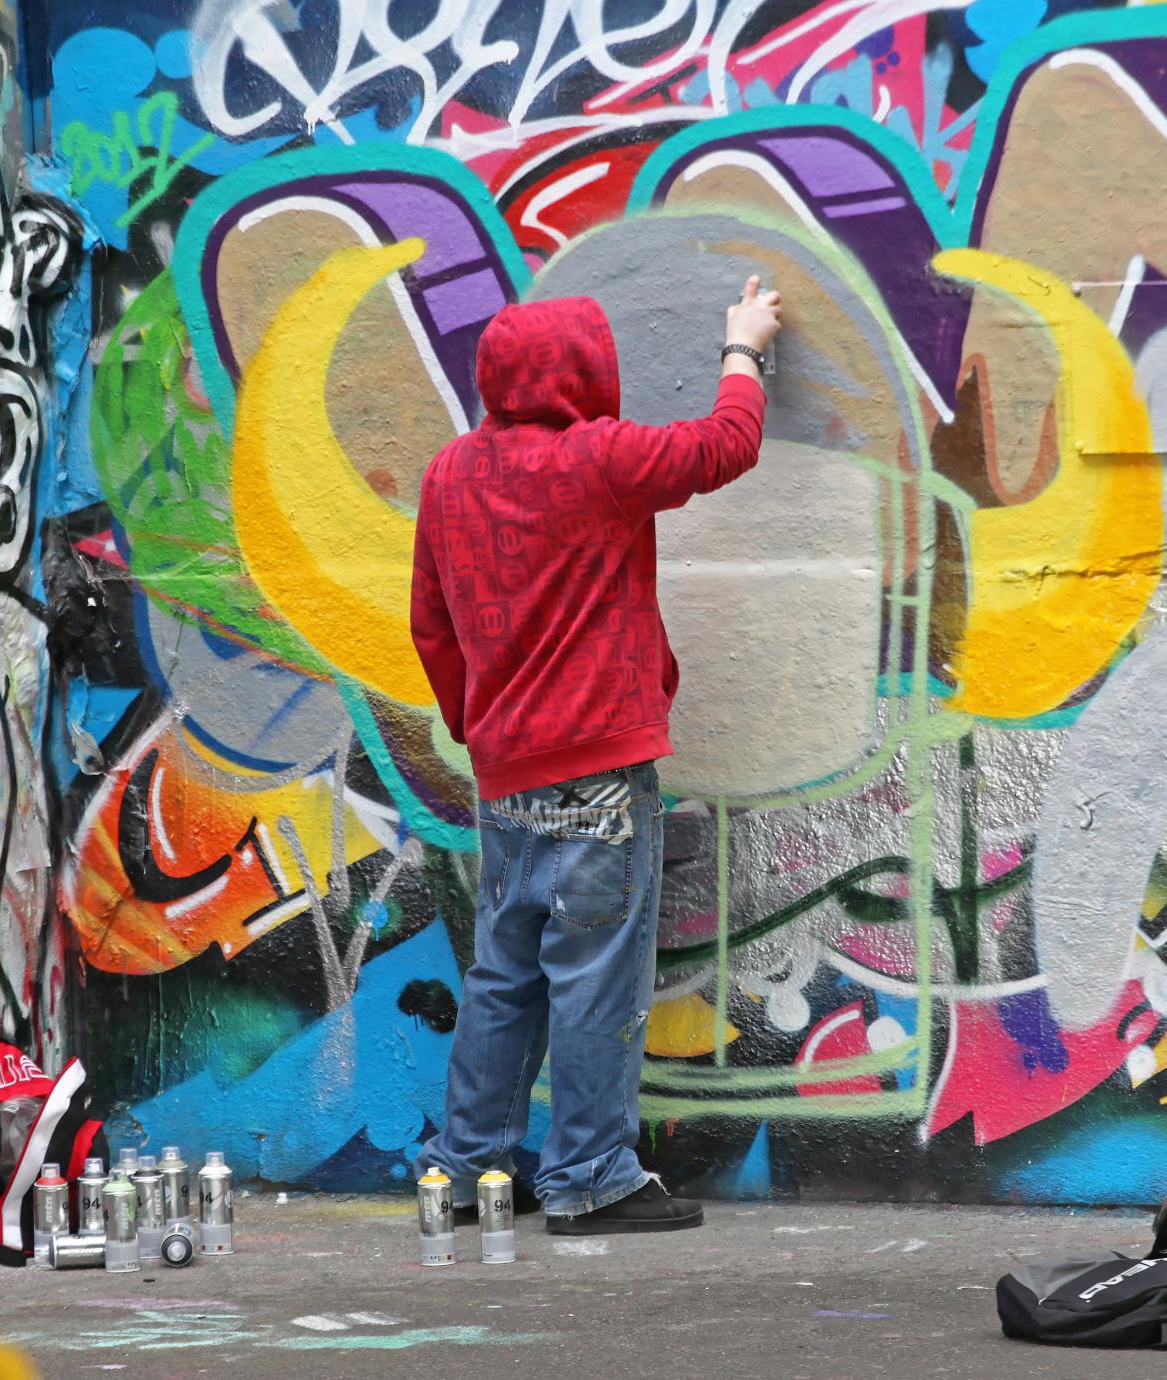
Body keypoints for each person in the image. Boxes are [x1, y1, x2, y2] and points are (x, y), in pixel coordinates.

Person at [409, 275, 784, 1234]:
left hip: (506, 775)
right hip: (600, 775)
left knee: (505, 971)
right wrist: (743, 344)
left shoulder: (450, 473)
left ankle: (463, 1175)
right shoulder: (598, 459)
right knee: (593, 975)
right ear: (585, 370)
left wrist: (478, 727)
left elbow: (432, 624)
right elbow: (724, 445)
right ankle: (588, 1178)